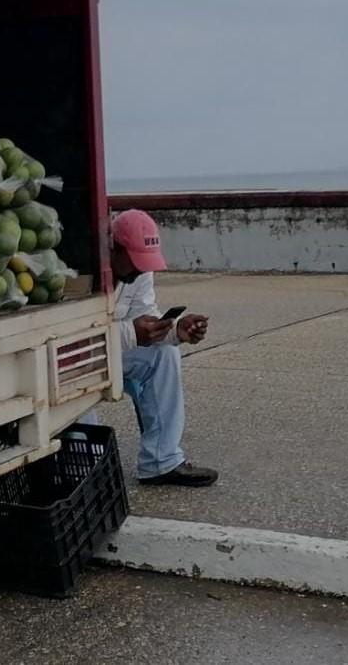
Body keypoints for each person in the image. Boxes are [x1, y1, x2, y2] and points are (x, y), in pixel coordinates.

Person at [111, 209, 219, 488]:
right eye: (134, 261)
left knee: (165, 354)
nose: (139, 270)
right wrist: (131, 333)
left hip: (115, 350)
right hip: (75, 358)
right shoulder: (80, 273)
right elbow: (73, 335)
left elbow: (144, 316)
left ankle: (161, 461)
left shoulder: (138, 272)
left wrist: (174, 330)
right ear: (114, 248)